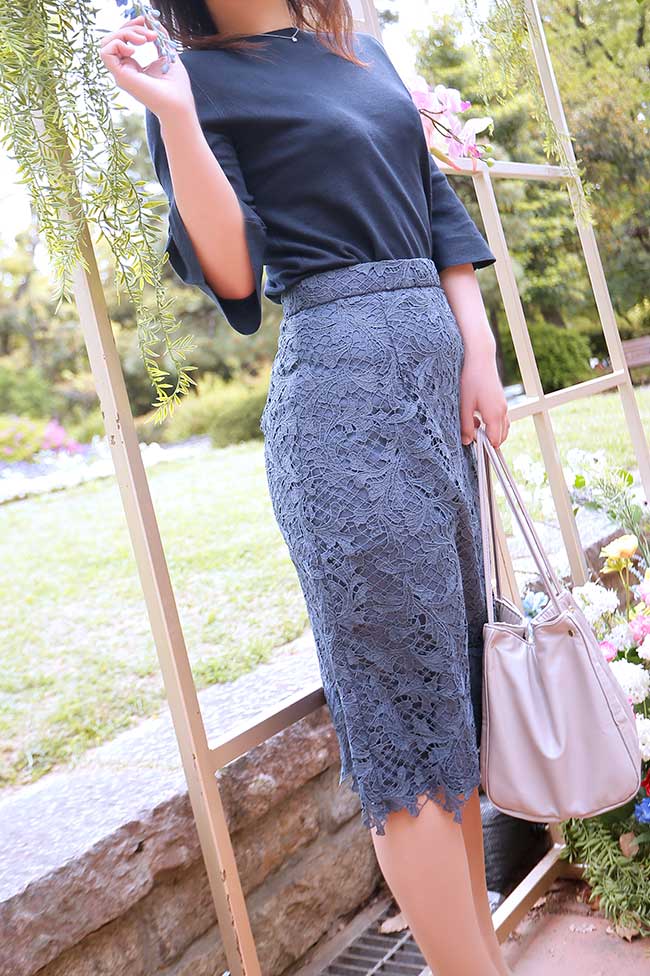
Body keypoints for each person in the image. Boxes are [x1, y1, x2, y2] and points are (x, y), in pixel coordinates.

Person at [100, 4, 512, 974]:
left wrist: (480, 348)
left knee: (450, 706)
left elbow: (431, 203)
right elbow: (233, 272)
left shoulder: (360, 47)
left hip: (437, 394)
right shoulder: (193, 81)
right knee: (406, 727)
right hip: (342, 414)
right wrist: (175, 114)